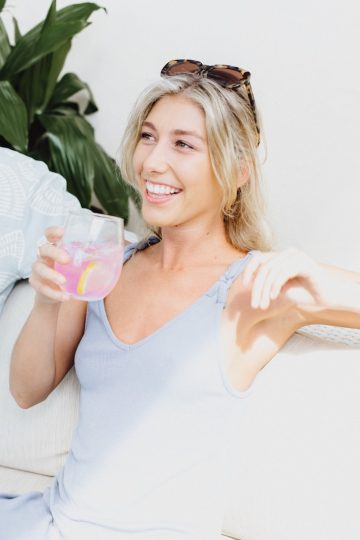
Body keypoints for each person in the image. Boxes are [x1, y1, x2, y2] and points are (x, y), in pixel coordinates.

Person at [1, 59, 360, 540]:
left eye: (183, 144)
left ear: (237, 172)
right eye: (148, 137)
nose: (152, 162)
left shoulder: (250, 291)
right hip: (46, 524)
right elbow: (26, 392)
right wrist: (47, 299)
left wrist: (315, 273)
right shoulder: (108, 262)